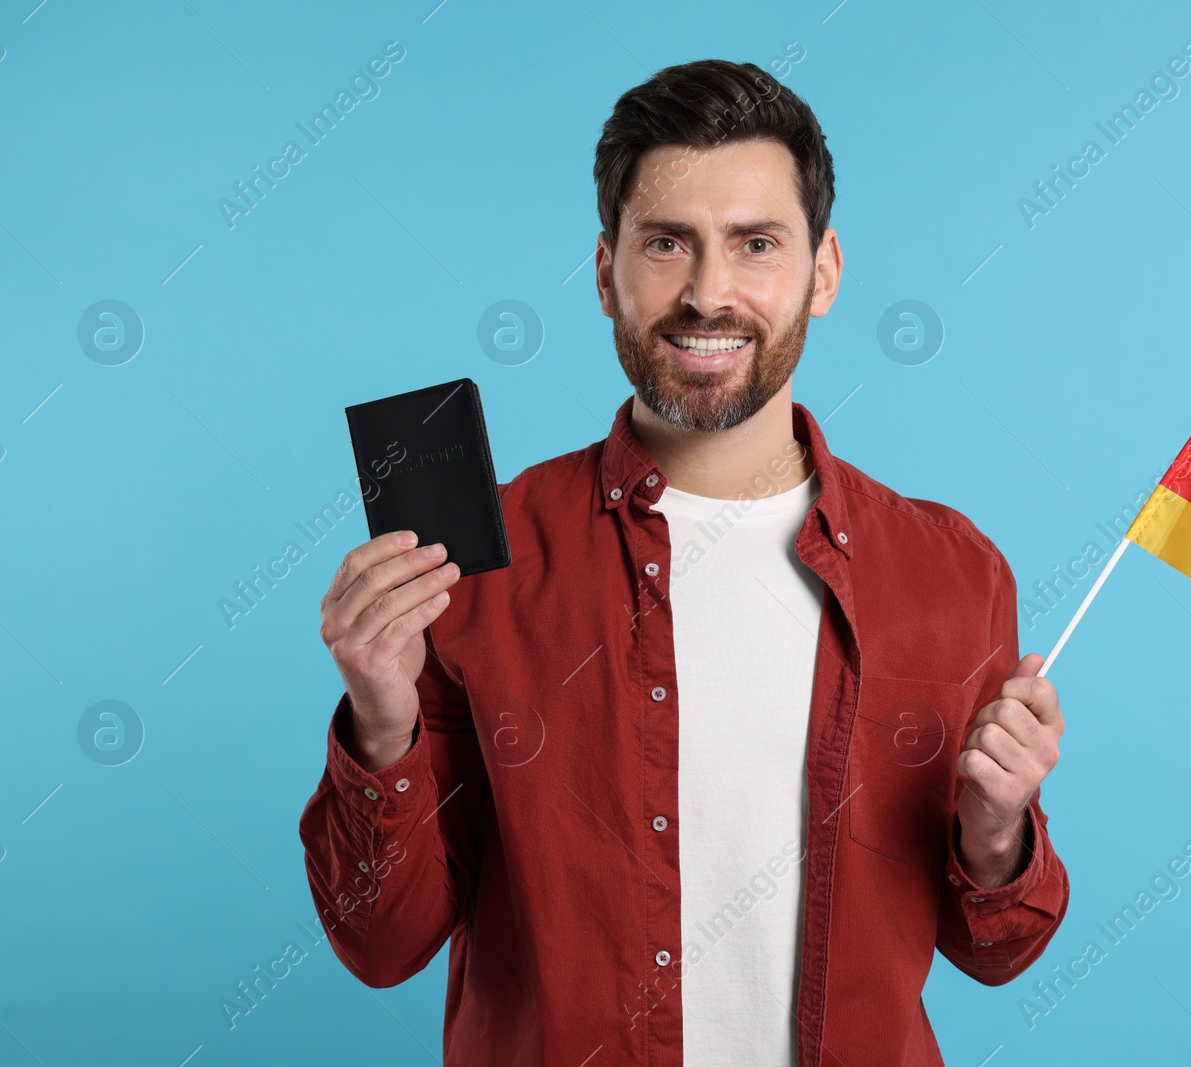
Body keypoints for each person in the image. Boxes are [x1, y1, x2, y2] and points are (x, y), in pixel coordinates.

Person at [300, 57, 1068, 1066]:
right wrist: (380, 719)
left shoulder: (953, 573)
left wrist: (995, 832)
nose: (708, 293)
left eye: (756, 244)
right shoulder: (472, 565)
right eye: (666, 244)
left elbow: (995, 948)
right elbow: (379, 941)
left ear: (822, 271)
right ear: (606, 270)